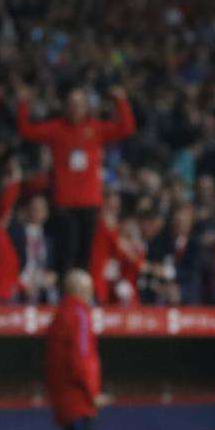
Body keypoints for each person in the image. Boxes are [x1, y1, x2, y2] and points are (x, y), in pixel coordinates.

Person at [15, 83, 136, 282]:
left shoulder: (95, 128)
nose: (75, 108)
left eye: (79, 103)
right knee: (68, 252)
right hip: (65, 202)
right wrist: (23, 104)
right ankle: (66, 296)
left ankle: (83, 296)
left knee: (87, 254)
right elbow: (27, 130)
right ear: (65, 106)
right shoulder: (56, 129)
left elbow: (126, 128)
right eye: (71, 103)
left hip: (90, 202)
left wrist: (120, 101)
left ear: (86, 106)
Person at [46, 268, 102, 430]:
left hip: (64, 396)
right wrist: (93, 393)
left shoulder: (60, 314)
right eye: (89, 288)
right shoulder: (78, 314)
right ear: (79, 290)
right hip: (77, 398)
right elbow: (81, 359)